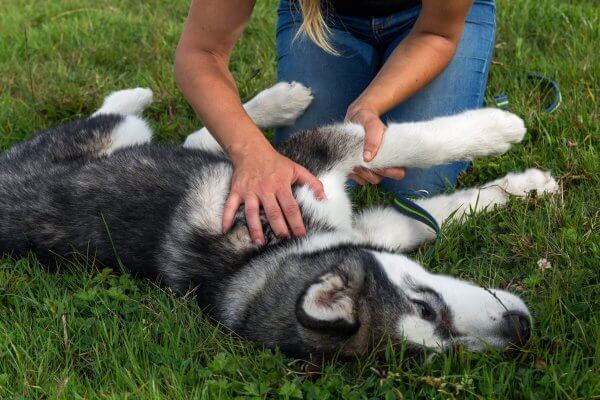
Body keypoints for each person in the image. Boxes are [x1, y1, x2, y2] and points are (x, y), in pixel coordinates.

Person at [174, 0, 496, 246]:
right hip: (324, 19)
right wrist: (252, 153)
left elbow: (436, 34)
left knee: (416, 185)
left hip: (428, 23)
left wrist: (368, 107)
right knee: (310, 178)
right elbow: (201, 52)